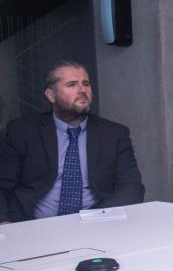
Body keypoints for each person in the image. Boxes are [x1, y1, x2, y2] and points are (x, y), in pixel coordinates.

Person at [0, 61, 144, 223]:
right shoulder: (22, 131)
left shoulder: (114, 134)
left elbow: (132, 188)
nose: (82, 90)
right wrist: (4, 223)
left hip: (94, 225)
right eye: (72, 84)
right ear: (51, 95)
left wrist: (95, 218)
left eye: (86, 84)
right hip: (33, 226)